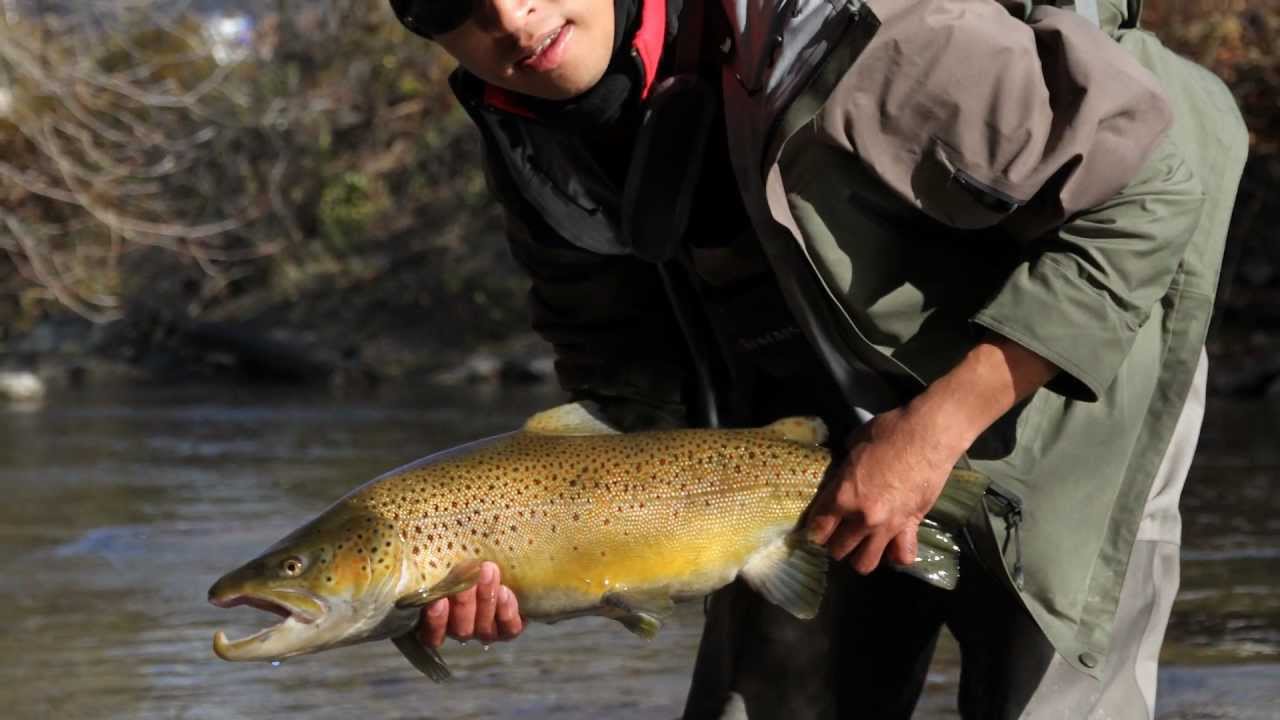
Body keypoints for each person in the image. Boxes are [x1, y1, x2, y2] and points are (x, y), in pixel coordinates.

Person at [386, 0, 1247, 717]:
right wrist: (543, 562)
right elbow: (624, 387)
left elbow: (1154, 189)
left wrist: (931, 433)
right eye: (452, 1)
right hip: (805, 444)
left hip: (1068, 385)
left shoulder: (861, 31)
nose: (508, 15)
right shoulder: (532, 134)